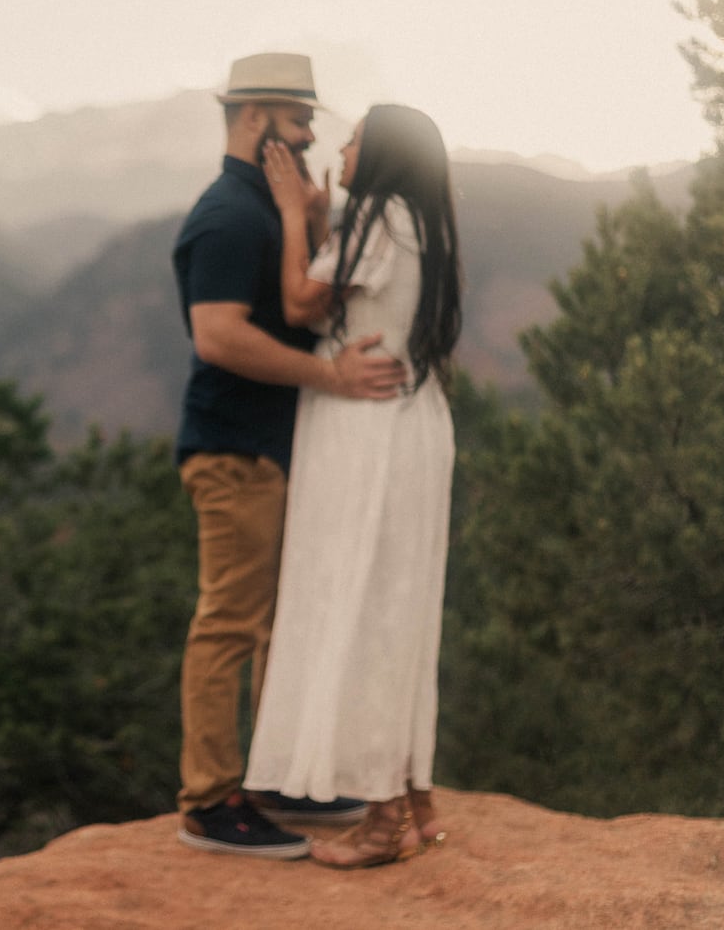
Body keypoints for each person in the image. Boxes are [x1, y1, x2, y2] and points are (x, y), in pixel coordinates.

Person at [172, 53, 408, 860]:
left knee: (274, 618)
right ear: (253, 118)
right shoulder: (229, 216)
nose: (310, 134)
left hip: (269, 445)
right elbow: (219, 336)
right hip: (235, 447)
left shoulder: (267, 206)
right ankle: (208, 799)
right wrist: (331, 378)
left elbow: (301, 300)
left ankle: (273, 775)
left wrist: (309, 214)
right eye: (298, 118)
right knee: (231, 620)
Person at [243, 103, 462, 869]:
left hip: (366, 430)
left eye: (355, 138)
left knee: (365, 605)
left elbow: (305, 302)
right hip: (415, 420)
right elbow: (360, 294)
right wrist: (323, 210)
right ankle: (415, 795)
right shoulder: (423, 221)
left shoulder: (379, 215)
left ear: (385, 154)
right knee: (400, 610)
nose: (340, 146)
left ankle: (381, 818)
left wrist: (292, 214)